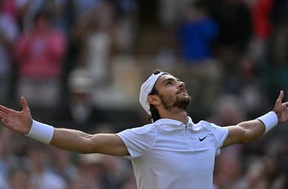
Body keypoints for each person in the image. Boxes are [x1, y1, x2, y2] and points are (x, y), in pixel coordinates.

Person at [0, 70, 288, 189]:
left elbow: (245, 130)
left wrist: (274, 116)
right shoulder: (146, 137)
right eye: (170, 83)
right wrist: (32, 128)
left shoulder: (209, 131)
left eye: (177, 81)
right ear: (153, 99)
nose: (180, 84)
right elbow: (87, 141)